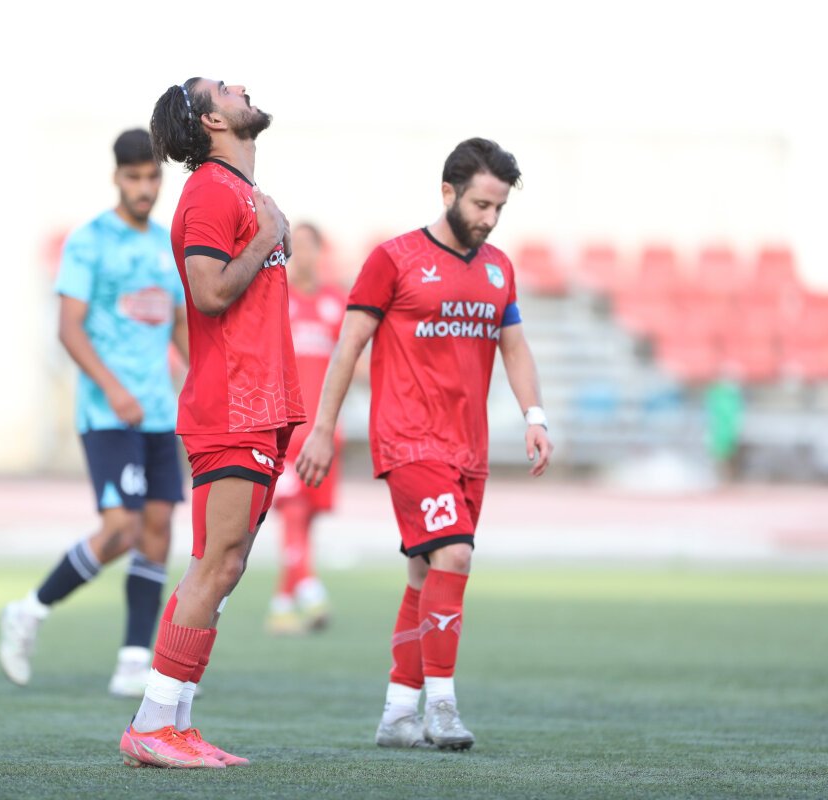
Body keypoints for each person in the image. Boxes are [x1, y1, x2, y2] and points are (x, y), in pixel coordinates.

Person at [296, 138, 553, 751]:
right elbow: (348, 345)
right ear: (448, 192)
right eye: (482, 205)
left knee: (426, 572)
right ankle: (442, 706)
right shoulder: (395, 259)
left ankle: (396, 713)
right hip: (408, 439)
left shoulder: (499, 268)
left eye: (499, 208)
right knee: (455, 556)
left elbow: (514, 346)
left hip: (468, 446)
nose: (490, 218)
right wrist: (323, 429)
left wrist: (535, 416)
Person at [117, 77, 302, 769]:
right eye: (224, 88)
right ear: (211, 121)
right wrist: (269, 238)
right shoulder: (209, 192)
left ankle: (176, 721)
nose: (240, 87)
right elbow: (209, 291)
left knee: (225, 566)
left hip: (261, 404)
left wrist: (273, 232)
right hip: (232, 405)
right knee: (214, 563)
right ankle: (152, 724)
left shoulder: (241, 193)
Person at [0, 128, 188, 698]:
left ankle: (133, 660)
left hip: (159, 412)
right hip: (108, 413)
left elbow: (179, 325)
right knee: (122, 528)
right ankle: (30, 610)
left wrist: (203, 380)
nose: (144, 188)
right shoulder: (90, 242)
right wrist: (114, 388)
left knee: (158, 529)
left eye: (152, 177)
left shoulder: (168, 246)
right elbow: (69, 328)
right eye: (134, 177)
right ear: (116, 178)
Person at [266, 223, 347, 635]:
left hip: (326, 432)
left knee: (307, 518)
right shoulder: (276, 300)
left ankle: (282, 605)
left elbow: (352, 360)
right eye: (294, 247)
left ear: (320, 252)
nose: (301, 255)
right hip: (287, 432)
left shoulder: (336, 303)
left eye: (308, 246)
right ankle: (310, 590)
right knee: (293, 513)